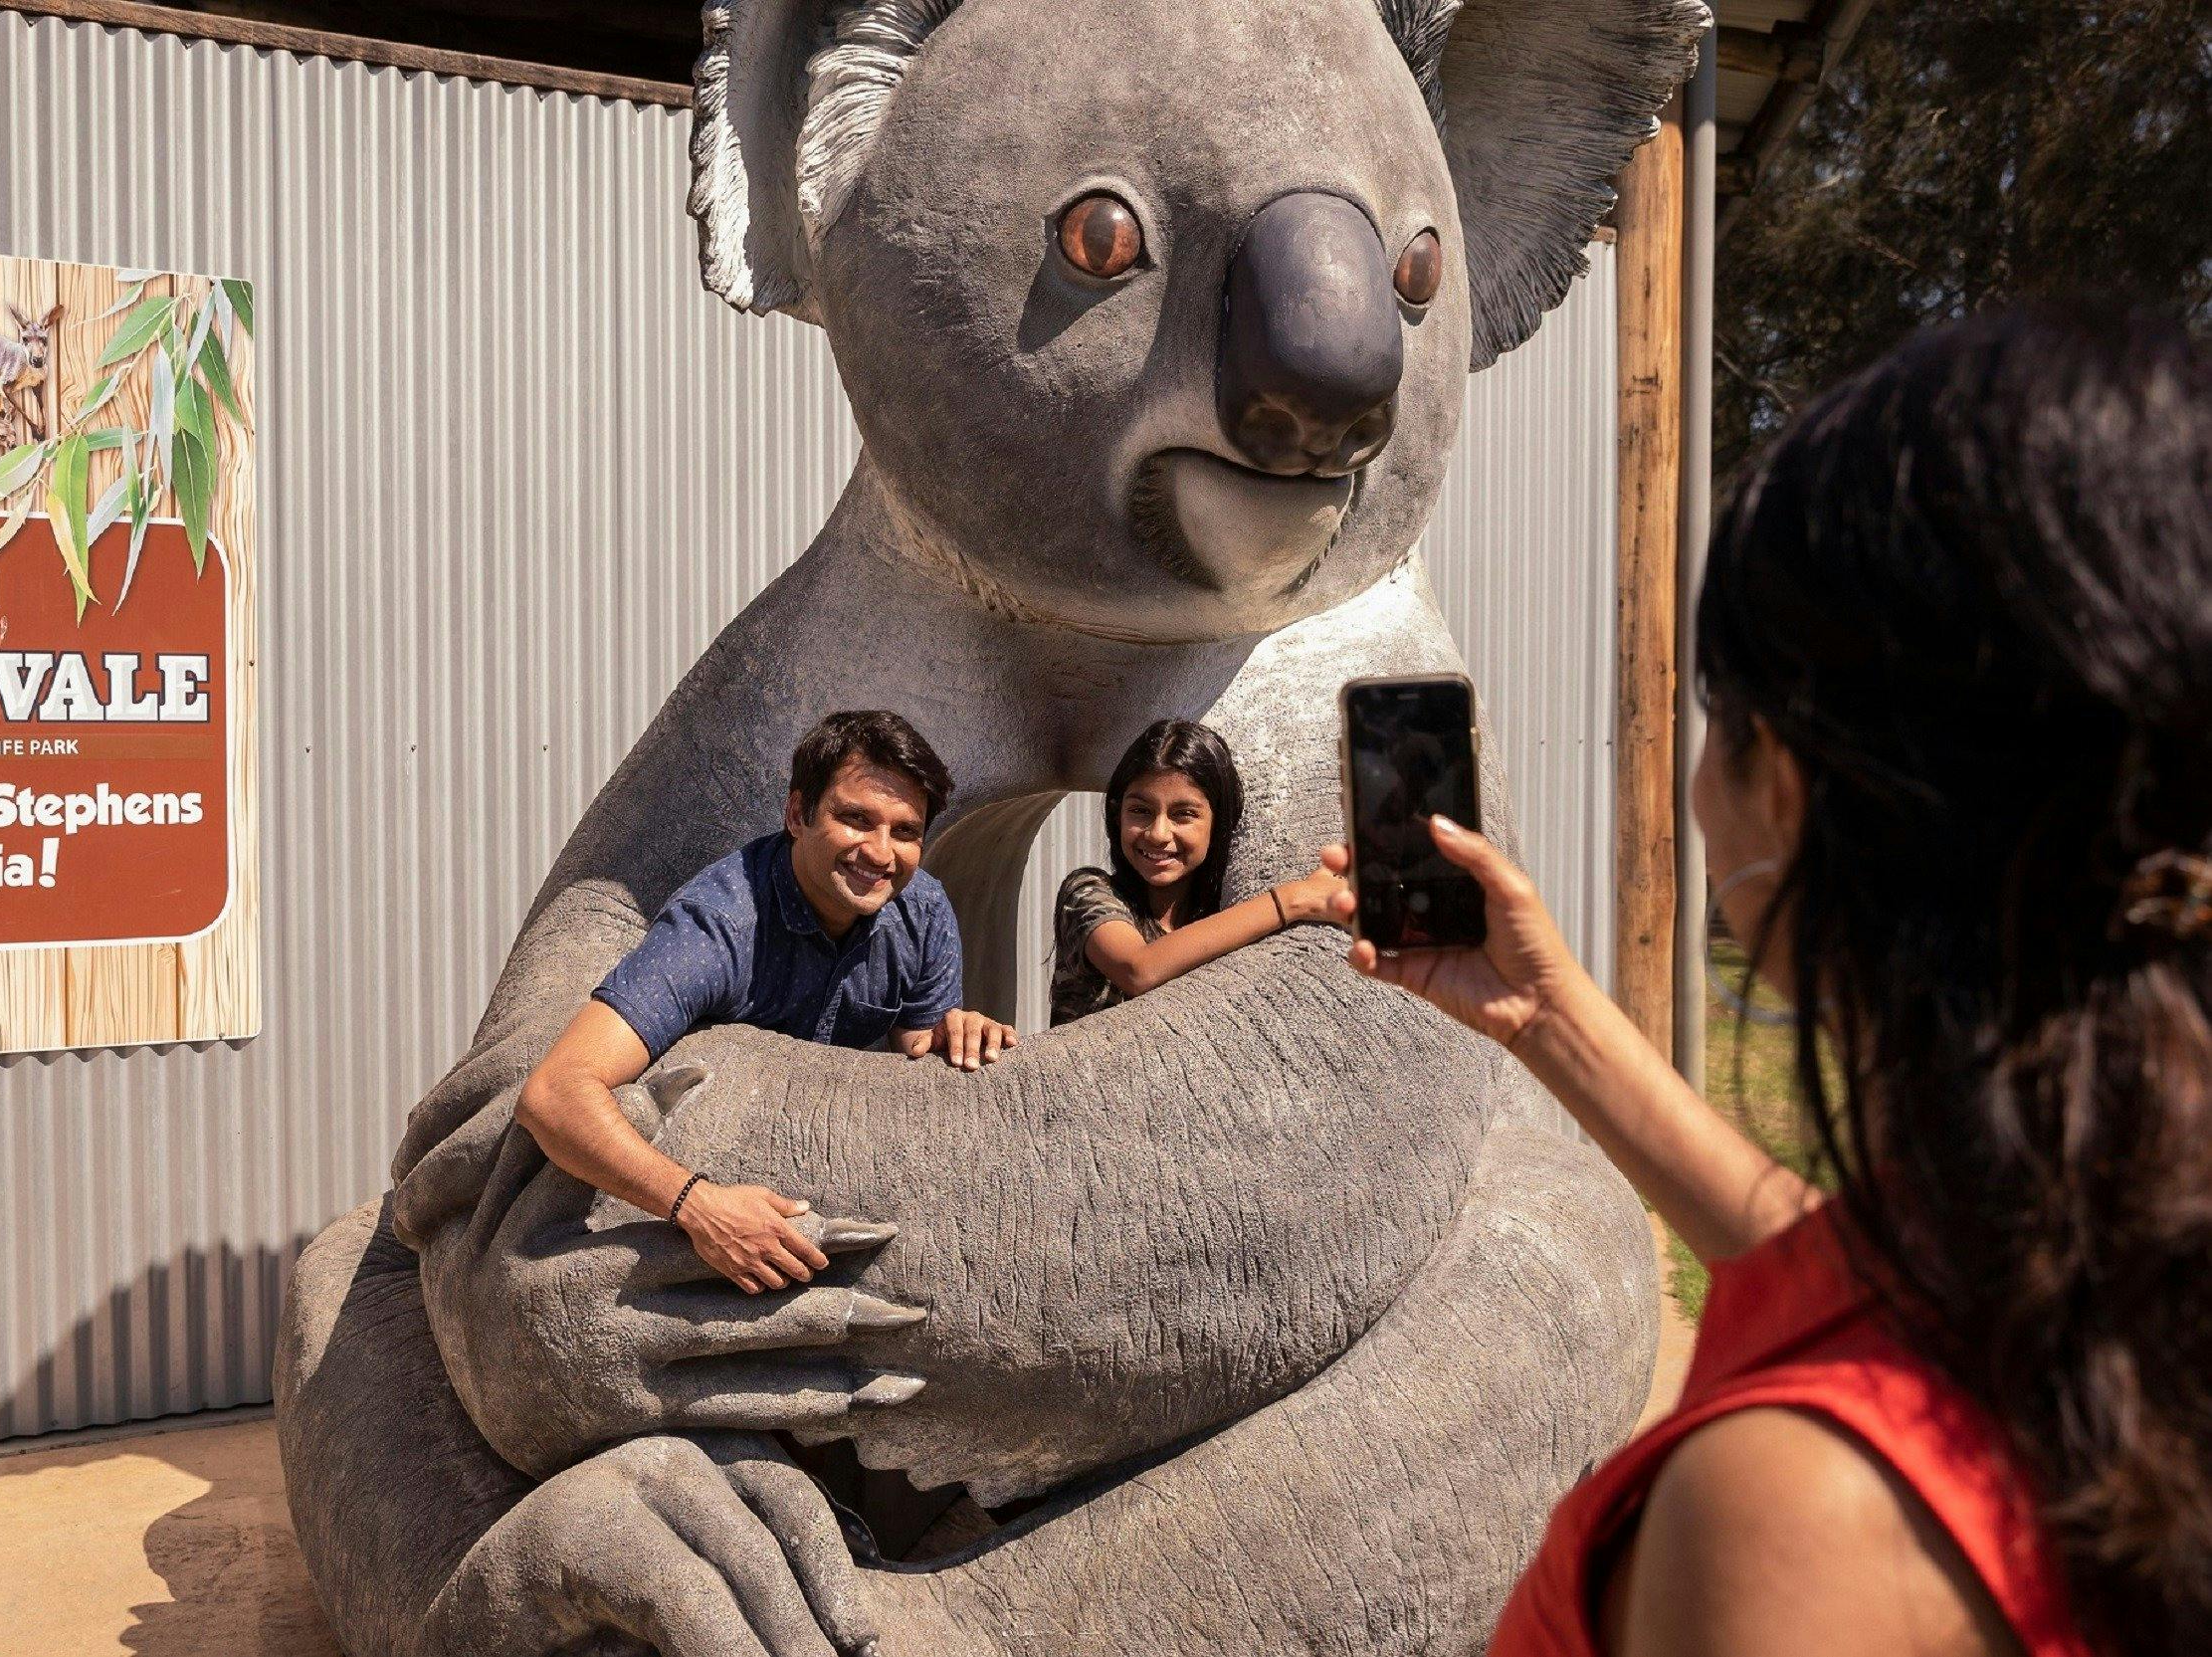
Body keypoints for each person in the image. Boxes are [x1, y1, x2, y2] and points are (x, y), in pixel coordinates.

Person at [1331, 307, 2210, 1655]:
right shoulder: (2106, 1252)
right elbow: (1827, 1257)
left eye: (1725, 720)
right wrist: (1549, 1012)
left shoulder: (1799, 1513)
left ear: (1789, 788)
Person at [517, 710, 1015, 1295]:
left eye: (905, 832)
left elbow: (913, 1046)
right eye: (855, 819)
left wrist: (957, 1032)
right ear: (797, 815)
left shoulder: (922, 911)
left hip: (820, 1183)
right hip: (706, 1205)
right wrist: (698, 1207)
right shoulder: (719, 926)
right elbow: (553, 1095)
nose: (881, 854)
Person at [1049, 719, 1345, 1025]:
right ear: (1117, 814)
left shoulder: (1226, 912)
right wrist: (1294, 899)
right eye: (1140, 811)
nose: (1158, 833)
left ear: (1218, 823)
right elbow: (1137, 969)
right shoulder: (1087, 892)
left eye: (1183, 815)